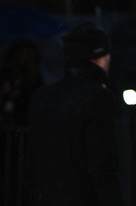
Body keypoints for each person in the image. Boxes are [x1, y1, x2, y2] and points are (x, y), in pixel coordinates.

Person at [26, 23, 124, 206]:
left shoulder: (41, 97)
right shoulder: (99, 98)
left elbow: (31, 160)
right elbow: (102, 166)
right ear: (99, 58)